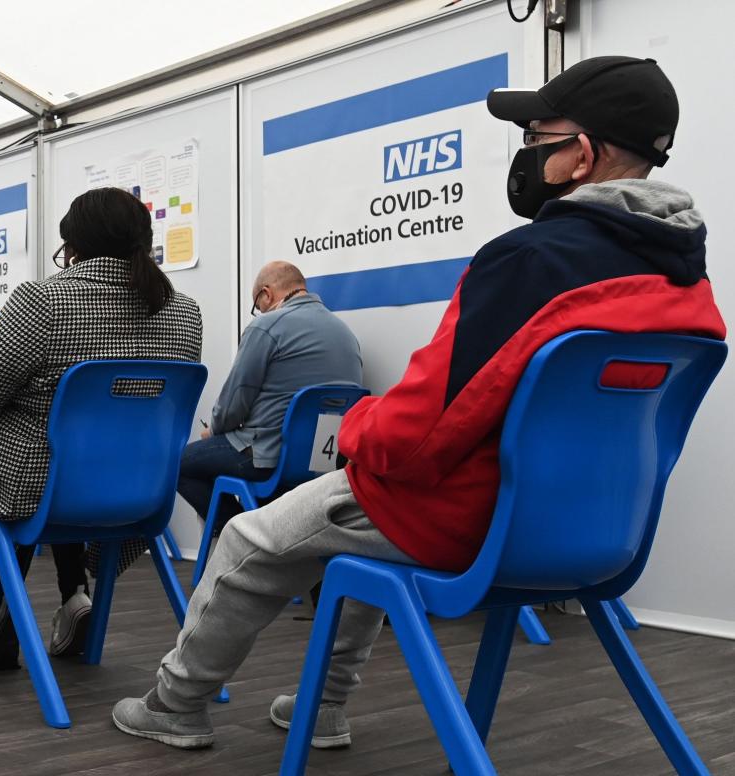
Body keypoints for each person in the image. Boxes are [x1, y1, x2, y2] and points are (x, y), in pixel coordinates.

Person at [112, 56, 726, 750]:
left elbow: (418, 437)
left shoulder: (529, 261)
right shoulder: (688, 287)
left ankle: (176, 704)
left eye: (534, 139)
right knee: (356, 526)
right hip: (594, 534)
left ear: (580, 155)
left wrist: (357, 429)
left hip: (468, 517)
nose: (525, 153)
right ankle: (324, 704)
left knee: (258, 536)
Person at [0, 187, 204, 675]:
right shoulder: (184, 312)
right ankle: (75, 594)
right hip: (137, 492)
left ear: (73, 244)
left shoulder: (43, 300)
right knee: (68, 454)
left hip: (39, 488)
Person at [179, 260, 361, 536]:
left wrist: (213, 431)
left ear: (266, 294)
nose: (259, 311)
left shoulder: (266, 326)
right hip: (322, 462)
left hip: (268, 456)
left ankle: (241, 538)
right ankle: (265, 538)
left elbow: (232, 407)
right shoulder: (345, 333)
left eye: (257, 304)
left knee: (179, 464)